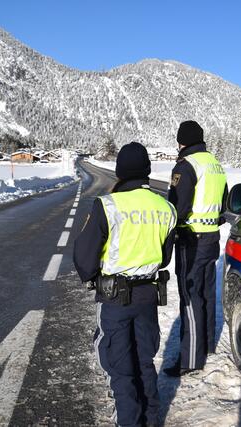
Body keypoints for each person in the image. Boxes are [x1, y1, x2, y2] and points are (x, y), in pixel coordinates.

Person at [73, 142, 176, 427]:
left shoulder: (107, 205)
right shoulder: (165, 208)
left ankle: (128, 422)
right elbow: (165, 257)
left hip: (115, 298)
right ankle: (151, 420)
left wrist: (93, 276)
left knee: (120, 367)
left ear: (120, 172)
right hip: (148, 296)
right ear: (146, 171)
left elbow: (84, 257)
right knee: (144, 362)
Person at [163, 120, 227, 377]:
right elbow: (224, 205)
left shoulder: (186, 166)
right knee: (206, 292)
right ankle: (207, 345)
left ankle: (190, 358)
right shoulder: (215, 165)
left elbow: (178, 207)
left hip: (191, 239)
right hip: (212, 237)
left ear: (182, 141)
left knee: (190, 297)